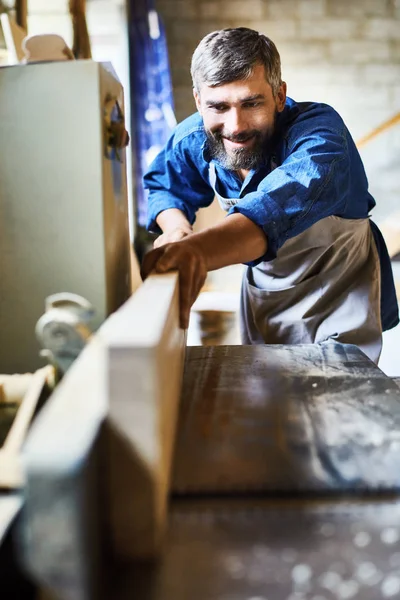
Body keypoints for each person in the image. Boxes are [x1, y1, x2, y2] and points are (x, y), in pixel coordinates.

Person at [141, 27, 398, 363]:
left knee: (336, 395)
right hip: (265, 297)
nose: (235, 126)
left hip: (339, 295)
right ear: (198, 101)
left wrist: (196, 253)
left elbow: (269, 214)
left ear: (279, 95)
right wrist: (176, 230)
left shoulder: (320, 136)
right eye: (218, 106)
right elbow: (165, 185)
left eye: (251, 103)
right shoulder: (195, 135)